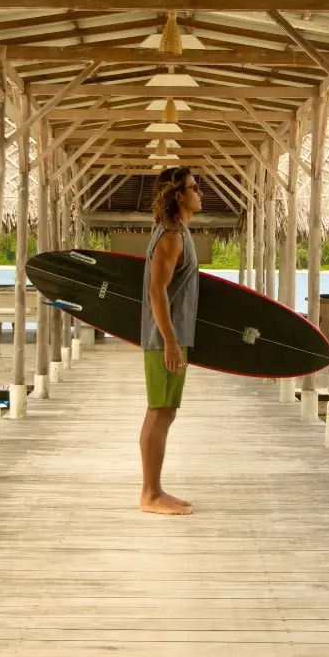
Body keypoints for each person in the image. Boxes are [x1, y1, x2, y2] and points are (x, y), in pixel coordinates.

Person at [138, 166, 202, 515]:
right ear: (179, 195)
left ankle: (156, 489)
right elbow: (156, 291)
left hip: (171, 335)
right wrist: (171, 342)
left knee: (165, 412)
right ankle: (150, 495)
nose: (200, 191)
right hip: (164, 337)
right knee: (159, 412)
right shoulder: (170, 236)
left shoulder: (178, 231)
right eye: (194, 186)